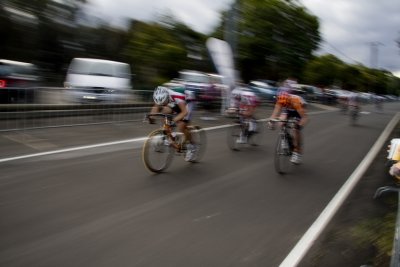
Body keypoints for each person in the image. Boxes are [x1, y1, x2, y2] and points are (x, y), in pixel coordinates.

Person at [149, 86, 196, 161]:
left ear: (167, 96)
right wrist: (151, 117)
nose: (163, 104)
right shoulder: (159, 96)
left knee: (181, 126)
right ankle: (170, 134)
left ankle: (192, 146)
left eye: (164, 102)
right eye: (162, 103)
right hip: (175, 102)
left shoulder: (176, 97)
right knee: (165, 112)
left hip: (189, 100)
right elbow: (155, 107)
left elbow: (184, 112)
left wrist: (174, 120)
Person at [269, 79, 307, 164]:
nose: (283, 104)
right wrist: (271, 121)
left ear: (289, 100)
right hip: (288, 110)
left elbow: (304, 117)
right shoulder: (281, 100)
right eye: (282, 103)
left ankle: (297, 153)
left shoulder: (295, 100)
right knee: (281, 122)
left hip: (298, 110)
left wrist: (299, 125)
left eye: (286, 103)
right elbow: (275, 112)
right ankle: (284, 138)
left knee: (295, 130)